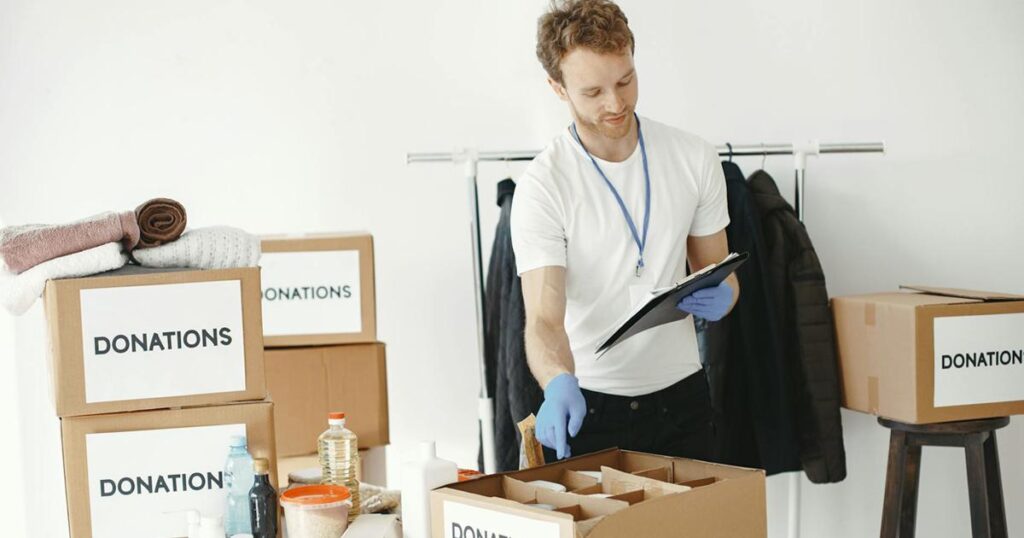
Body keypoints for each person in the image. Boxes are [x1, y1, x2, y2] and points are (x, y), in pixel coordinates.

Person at [511, 0, 739, 461]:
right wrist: (557, 382)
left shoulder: (693, 157)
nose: (615, 104)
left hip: (684, 401)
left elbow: (720, 269)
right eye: (592, 92)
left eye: (625, 81)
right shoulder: (544, 184)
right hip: (591, 409)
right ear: (557, 88)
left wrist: (729, 293)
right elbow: (543, 319)